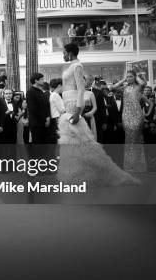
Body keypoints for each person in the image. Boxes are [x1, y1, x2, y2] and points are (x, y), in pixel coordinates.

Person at [56, 43, 140, 186]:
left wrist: (78, 111)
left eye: (64, 52)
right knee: (74, 147)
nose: (62, 55)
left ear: (69, 53)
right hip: (68, 109)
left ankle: (111, 175)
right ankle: (77, 175)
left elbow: (81, 90)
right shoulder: (71, 66)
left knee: (86, 147)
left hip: (73, 111)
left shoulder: (77, 66)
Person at [110, 70, 147, 173]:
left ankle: (138, 166)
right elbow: (112, 88)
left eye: (130, 77)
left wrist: (137, 77)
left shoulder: (139, 87)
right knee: (129, 140)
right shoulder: (125, 88)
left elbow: (143, 83)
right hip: (126, 116)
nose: (128, 78)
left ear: (135, 77)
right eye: (127, 77)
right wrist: (124, 79)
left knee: (135, 138)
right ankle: (130, 166)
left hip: (137, 115)